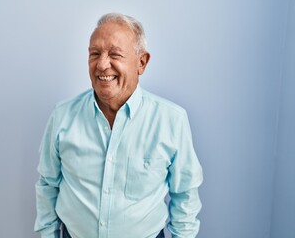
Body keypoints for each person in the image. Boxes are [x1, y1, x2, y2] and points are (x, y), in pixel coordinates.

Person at [34, 13, 203, 238]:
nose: (102, 65)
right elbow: (47, 185)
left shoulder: (171, 120)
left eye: (115, 54)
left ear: (141, 62)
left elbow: (185, 197)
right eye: (94, 54)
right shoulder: (62, 116)